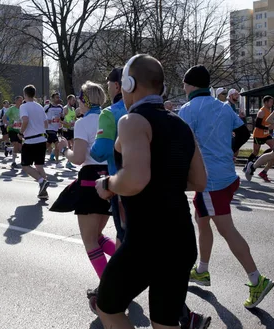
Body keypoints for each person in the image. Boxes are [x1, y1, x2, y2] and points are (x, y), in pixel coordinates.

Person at [94, 55, 206, 329]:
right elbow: (199, 181)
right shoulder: (180, 124)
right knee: (165, 322)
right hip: (181, 238)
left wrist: (107, 185)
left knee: (106, 307)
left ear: (128, 84)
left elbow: (134, 181)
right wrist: (163, 180)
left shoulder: (132, 121)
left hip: (147, 240)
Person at [179, 64, 274, 309]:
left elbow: (181, 146)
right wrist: (228, 150)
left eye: (184, 83)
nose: (183, 87)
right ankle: (202, 270)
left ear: (190, 86)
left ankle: (257, 280)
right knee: (202, 220)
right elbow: (244, 132)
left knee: (227, 229)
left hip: (209, 180)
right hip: (224, 175)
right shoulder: (223, 106)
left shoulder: (187, 109)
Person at [57, 80, 112, 281]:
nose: (77, 104)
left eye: (79, 99)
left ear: (84, 100)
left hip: (90, 180)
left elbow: (78, 158)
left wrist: (64, 149)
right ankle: (126, 269)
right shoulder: (112, 117)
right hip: (111, 179)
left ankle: (111, 287)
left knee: (90, 241)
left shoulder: (83, 123)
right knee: (97, 236)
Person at [90, 67, 128, 249]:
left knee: (125, 235)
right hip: (153, 185)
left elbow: (100, 152)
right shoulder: (149, 111)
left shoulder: (109, 113)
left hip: (121, 185)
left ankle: (122, 277)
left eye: (109, 85)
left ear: (117, 86)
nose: (108, 89)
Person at [20, 85, 50, 199]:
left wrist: (21, 132)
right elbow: (46, 123)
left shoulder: (24, 106)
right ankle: (44, 192)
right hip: (42, 139)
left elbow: (25, 120)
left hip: (30, 140)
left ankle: (42, 181)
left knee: (25, 165)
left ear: (25, 94)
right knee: (39, 166)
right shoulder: (39, 106)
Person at [244, 95, 274, 182]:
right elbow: (257, 125)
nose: (272, 103)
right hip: (258, 134)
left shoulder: (269, 111)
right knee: (255, 152)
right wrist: (268, 128)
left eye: (272, 101)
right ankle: (247, 165)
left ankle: (262, 158)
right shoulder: (261, 112)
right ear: (265, 102)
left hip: (266, 135)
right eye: (270, 101)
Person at [3, 96, 24, 169]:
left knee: (20, 147)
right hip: (12, 129)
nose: (21, 102)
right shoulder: (11, 109)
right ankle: (13, 162)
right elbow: (4, 117)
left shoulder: (23, 109)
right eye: (19, 100)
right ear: (16, 101)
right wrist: (7, 123)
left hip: (20, 130)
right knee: (15, 144)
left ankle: (9, 149)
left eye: (22, 100)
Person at [44, 92, 64, 163]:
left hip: (56, 128)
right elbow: (41, 116)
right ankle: (57, 160)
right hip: (49, 128)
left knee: (48, 144)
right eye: (56, 97)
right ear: (52, 98)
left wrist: (62, 116)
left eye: (59, 97)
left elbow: (62, 118)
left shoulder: (60, 107)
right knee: (57, 143)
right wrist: (47, 120)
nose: (58, 99)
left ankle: (38, 154)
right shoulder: (47, 107)